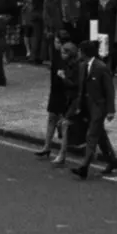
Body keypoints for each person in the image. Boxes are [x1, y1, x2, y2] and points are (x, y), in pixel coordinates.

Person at [70, 40, 117, 180]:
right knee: (100, 135)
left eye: (80, 51)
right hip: (87, 106)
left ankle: (84, 167)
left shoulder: (101, 67)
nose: (79, 53)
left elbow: (109, 90)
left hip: (99, 106)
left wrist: (111, 110)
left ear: (85, 53)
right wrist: (78, 106)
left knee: (91, 135)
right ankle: (112, 161)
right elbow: (81, 88)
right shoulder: (82, 66)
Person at [35, 30, 73, 159]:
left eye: (56, 41)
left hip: (64, 93)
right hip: (55, 91)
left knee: (63, 123)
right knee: (51, 118)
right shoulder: (56, 55)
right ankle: (47, 146)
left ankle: (62, 153)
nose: (54, 43)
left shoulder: (68, 57)